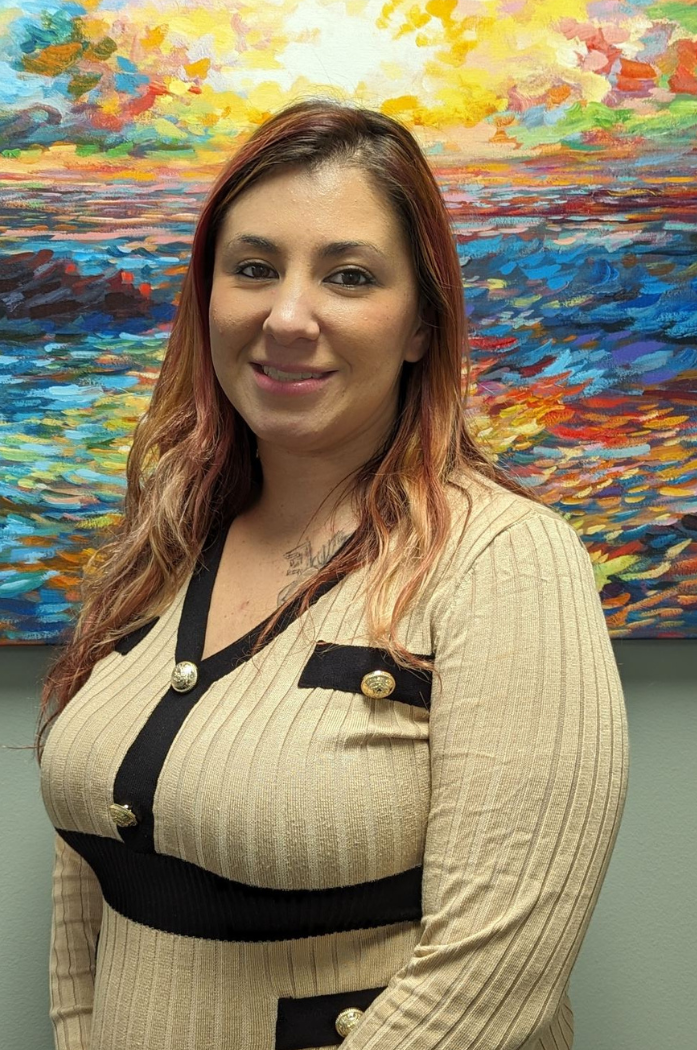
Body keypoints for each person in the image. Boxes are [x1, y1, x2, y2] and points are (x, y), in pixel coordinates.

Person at [37, 97, 629, 1050]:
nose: (287, 316)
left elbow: (495, 970)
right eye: (255, 269)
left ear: (420, 327)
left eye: (348, 276)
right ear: (208, 296)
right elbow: (85, 897)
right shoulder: (161, 545)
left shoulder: (507, 559)